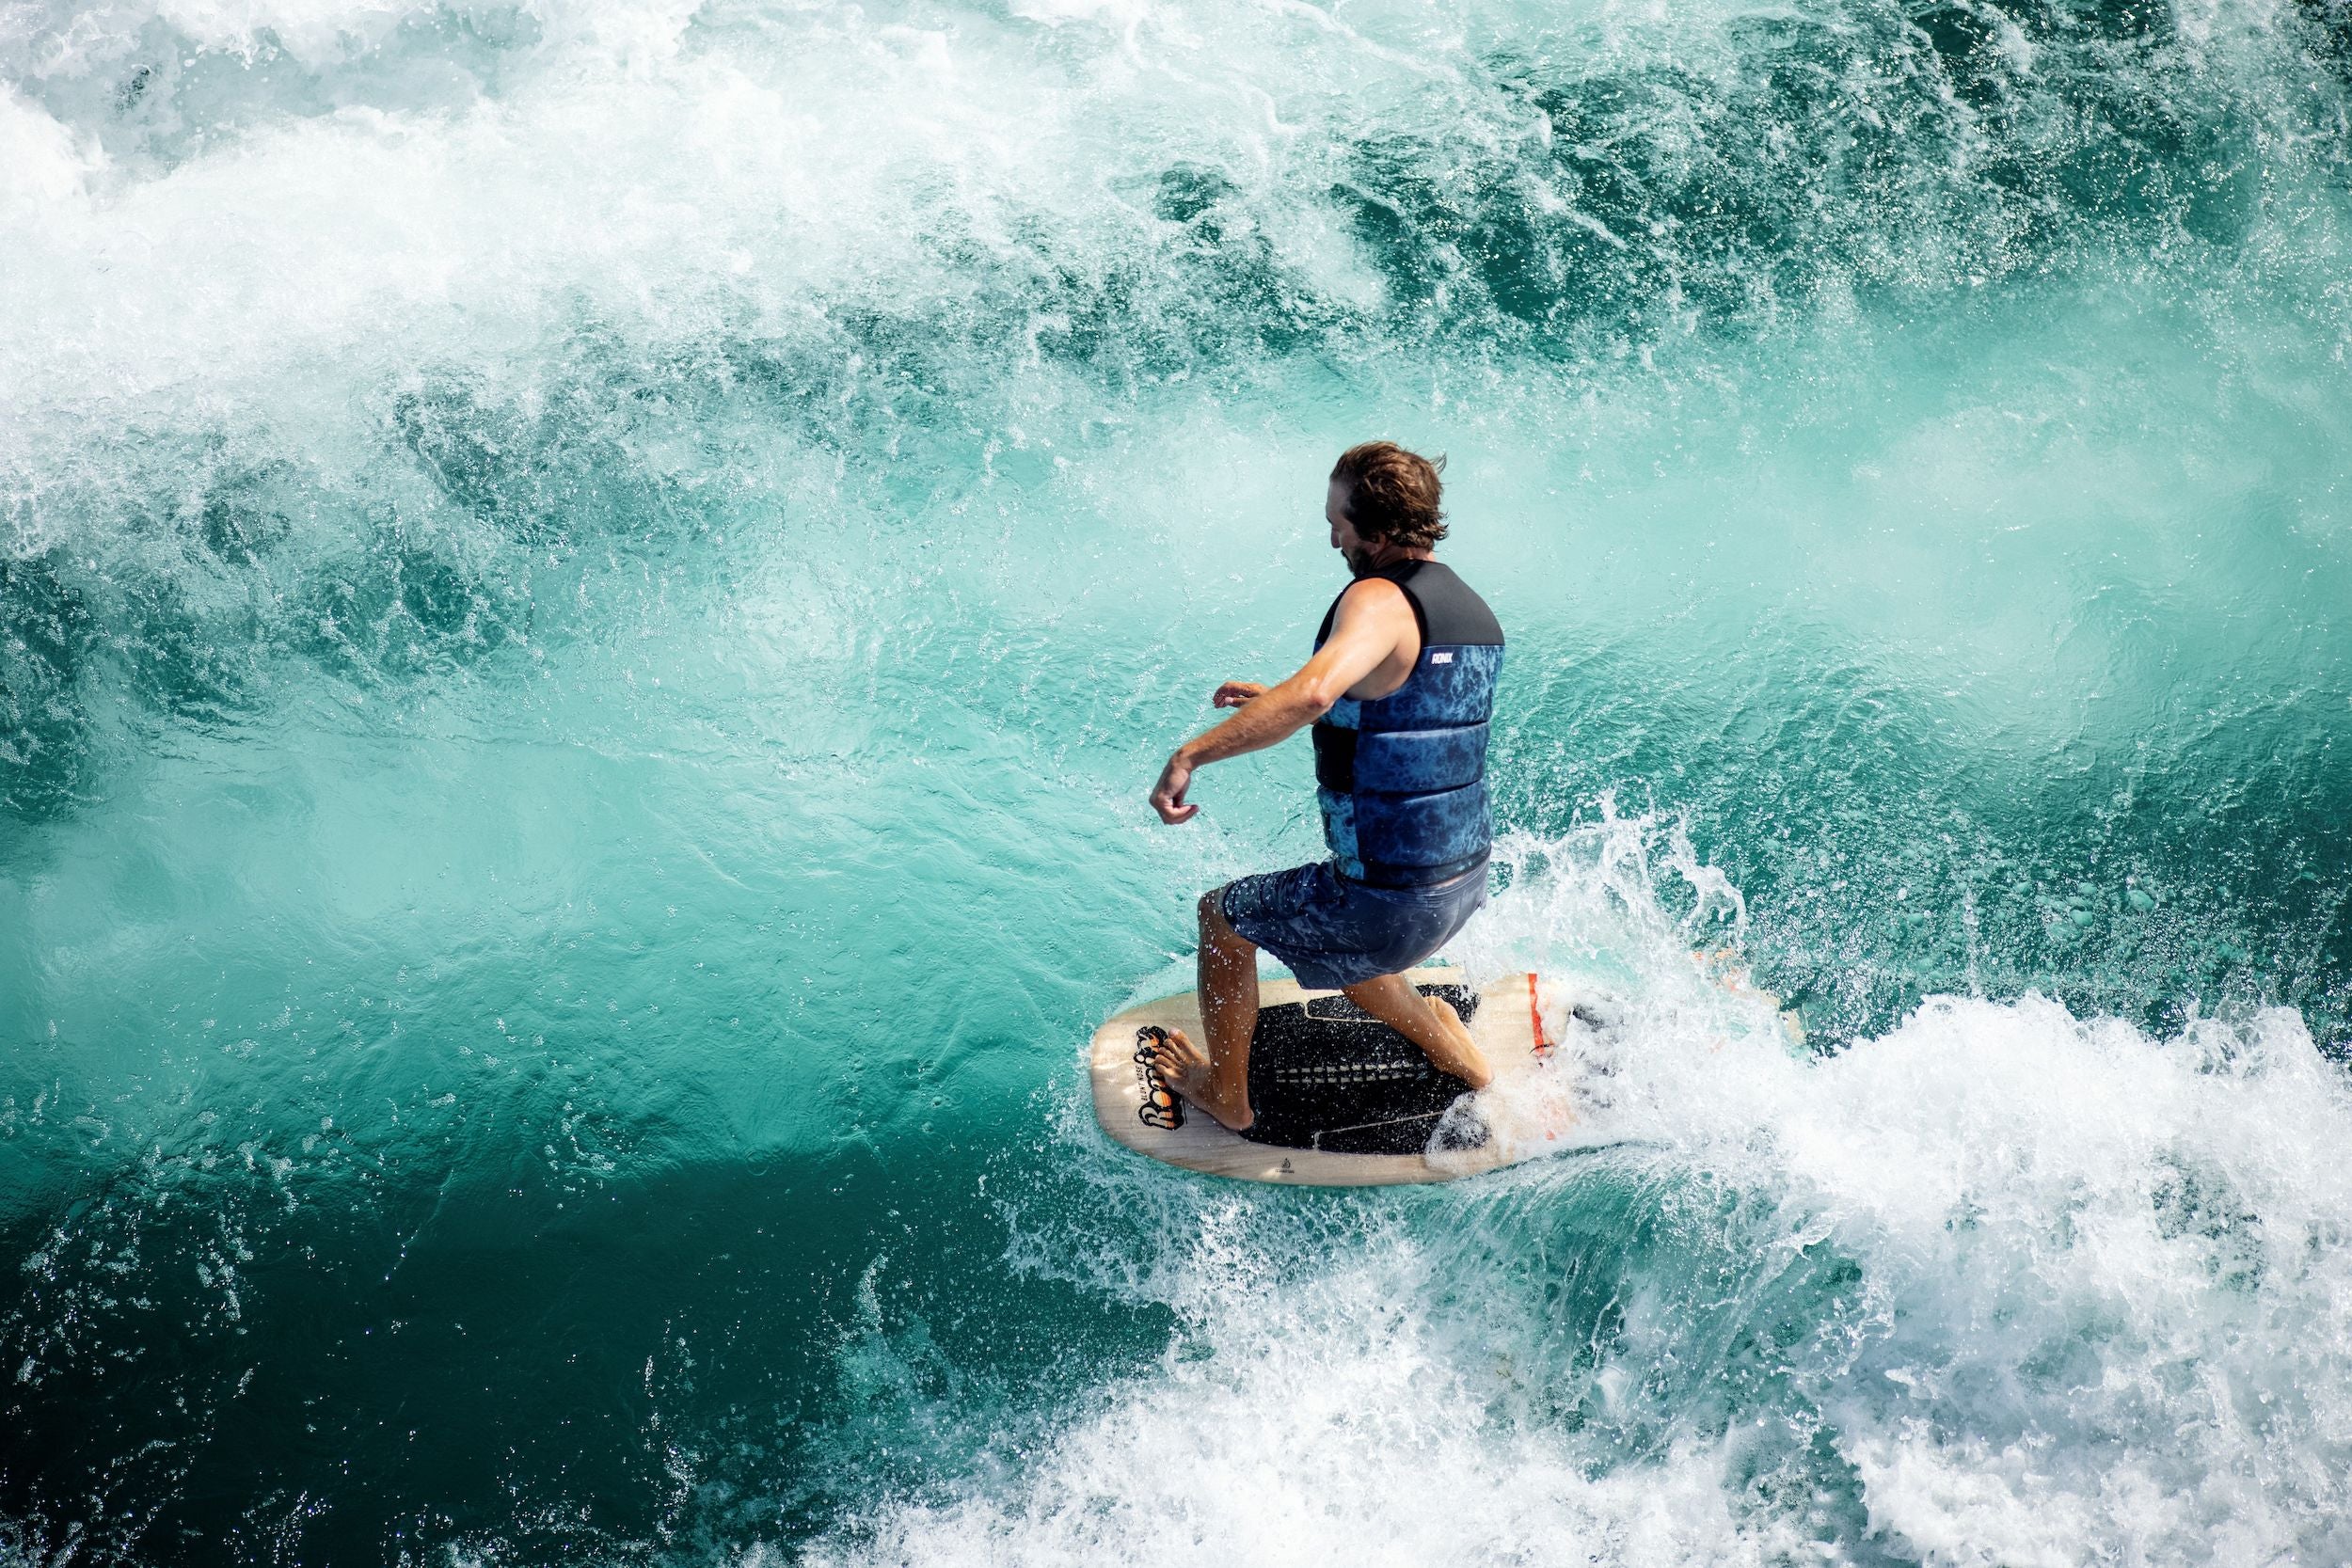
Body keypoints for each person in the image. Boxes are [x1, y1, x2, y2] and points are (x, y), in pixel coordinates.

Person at [1146, 442, 1504, 1132]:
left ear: (1374, 524)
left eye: (1337, 518)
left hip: (1386, 907)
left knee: (1222, 919)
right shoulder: (1470, 611)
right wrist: (1272, 698)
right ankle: (1456, 1051)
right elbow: (1402, 715)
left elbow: (1313, 694)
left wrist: (1190, 754)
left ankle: (1228, 1094)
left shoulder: (1377, 596)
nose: (1331, 533)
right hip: (1459, 891)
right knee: (1339, 938)